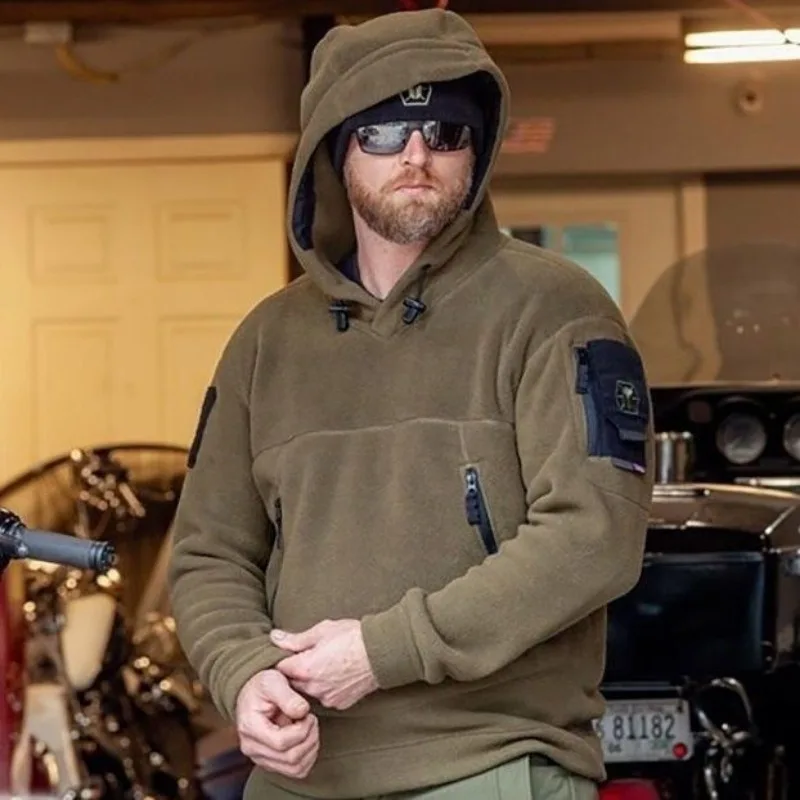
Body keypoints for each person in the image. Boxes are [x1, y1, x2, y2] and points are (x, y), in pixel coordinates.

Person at [167, 8, 654, 800]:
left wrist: (385, 650)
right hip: (300, 777)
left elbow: (594, 532)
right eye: (385, 132)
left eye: (446, 132)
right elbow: (209, 552)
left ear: (477, 150)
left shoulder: (554, 307)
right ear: (338, 150)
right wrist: (244, 672)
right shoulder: (266, 341)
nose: (417, 155)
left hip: (490, 764)